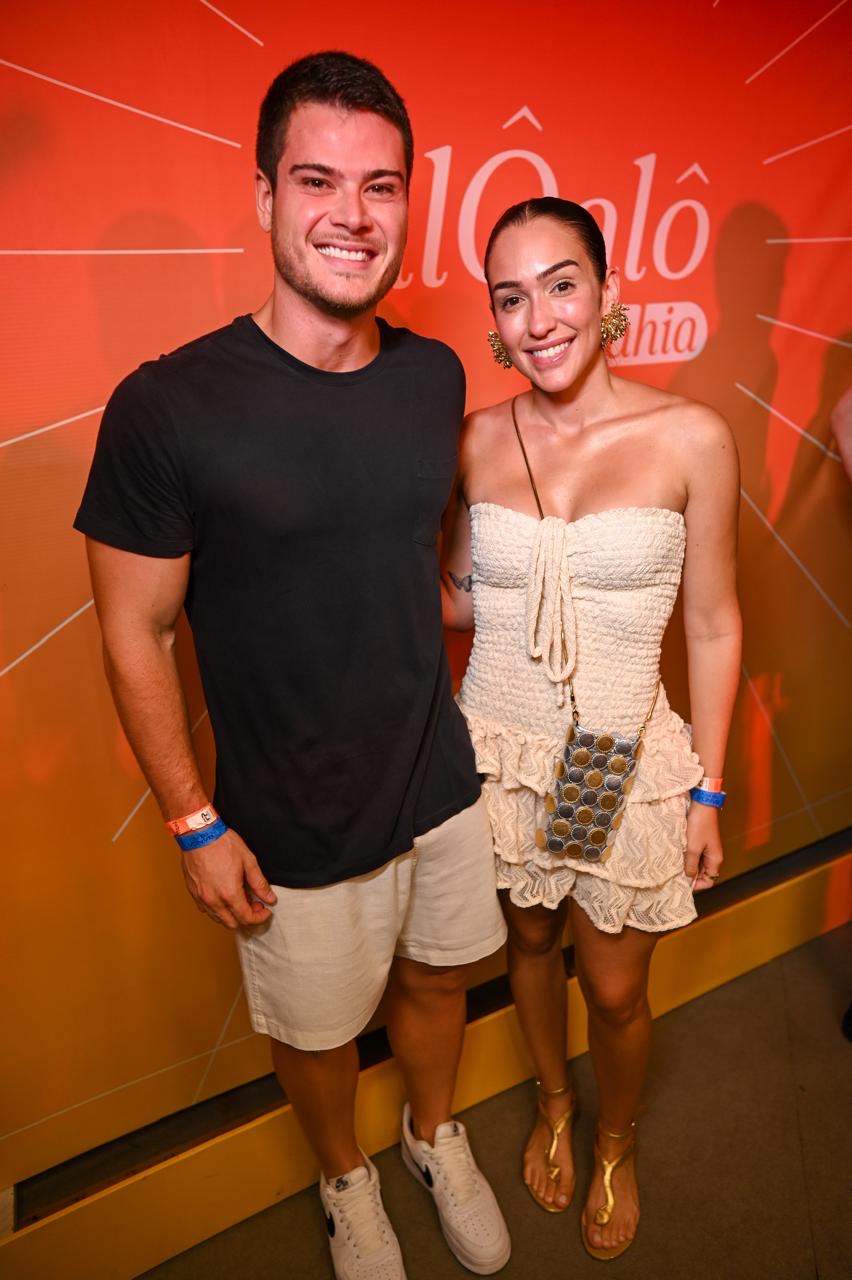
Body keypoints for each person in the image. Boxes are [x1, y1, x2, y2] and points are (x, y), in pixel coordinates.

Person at [74, 51, 510, 1280]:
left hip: (440, 779)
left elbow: (403, 564)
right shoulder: (165, 407)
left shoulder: (432, 376)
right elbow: (134, 629)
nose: (352, 215)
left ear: (409, 203)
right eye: (318, 180)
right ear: (265, 194)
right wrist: (193, 819)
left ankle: (433, 1133)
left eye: (382, 185)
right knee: (318, 1032)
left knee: (439, 980)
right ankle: (345, 1177)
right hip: (288, 816)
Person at [441, 197, 741, 1260]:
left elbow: (713, 622)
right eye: (511, 298)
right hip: (502, 749)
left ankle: (615, 1141)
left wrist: (707, 788)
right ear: (494, 320)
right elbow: (463, 597)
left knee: (613, 988)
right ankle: (554, 1101)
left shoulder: (691, 436)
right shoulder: (477, 437)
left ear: (609, 294)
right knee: (527, 940)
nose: (540, 319)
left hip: (611, 756)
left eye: (561, 285)